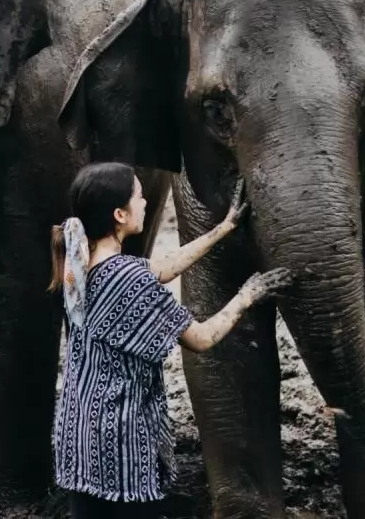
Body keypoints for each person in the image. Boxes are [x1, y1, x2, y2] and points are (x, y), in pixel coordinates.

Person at [50, 162, 293, 519]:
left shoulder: (80, 263)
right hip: (118, 445)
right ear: (119, 214)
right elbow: (201, 338)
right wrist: (249, 294)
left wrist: (222, 229)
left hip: (77, 436)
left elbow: (163, 267)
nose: (146, 201)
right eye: (138, 195)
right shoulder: (130, 281)